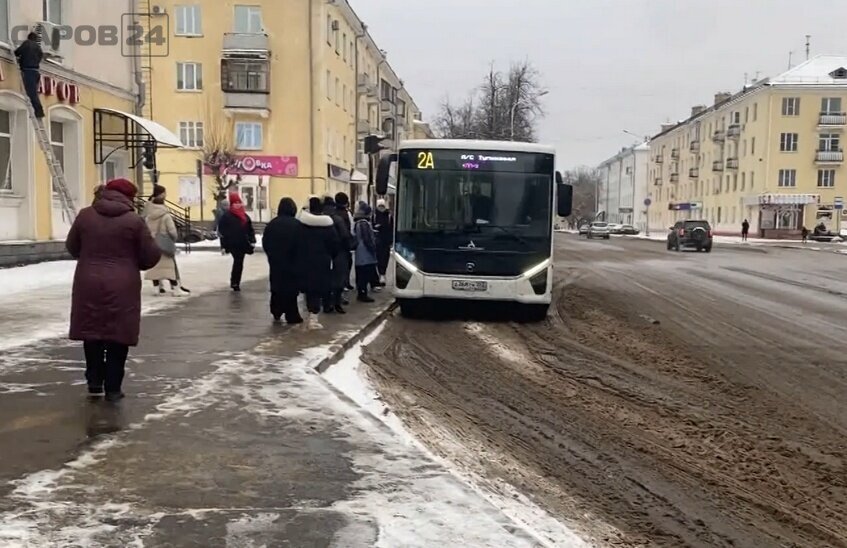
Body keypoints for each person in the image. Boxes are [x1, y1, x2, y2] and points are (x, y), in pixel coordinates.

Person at [66, 178, 161, 402]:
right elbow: (151, 255)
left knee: (92, 332)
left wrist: (90, 258)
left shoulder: (85, 215)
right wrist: (133, 263)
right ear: (129, 197)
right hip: (123, 284)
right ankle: (113, 388)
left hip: (88, 281)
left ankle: (94, 382)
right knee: (118, 335)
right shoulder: (134, 221)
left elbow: (72, 247)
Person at [297, 197, 340, 330]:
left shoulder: (302, 224)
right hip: (322, 262)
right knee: (318, 288)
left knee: (309, 288)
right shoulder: (327, 225)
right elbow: (335, 245)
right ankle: (313, 317)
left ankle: (309, 313)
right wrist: (330, 256)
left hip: (305, 261)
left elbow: (297, 242)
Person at [262, 197, 304, 324]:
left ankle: (276, 310)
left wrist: (271, 255)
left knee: (277, 286)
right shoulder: (297, 225)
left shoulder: (272, 224)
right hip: (292, 261)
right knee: (291, 288)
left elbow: (265, 242)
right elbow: (301, 244)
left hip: (276, 261)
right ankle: (292, 314)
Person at [143, 185, 189, 296]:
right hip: (164, 244)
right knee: (169, 268)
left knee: (155, 267)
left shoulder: (148, 215)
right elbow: (172, 232)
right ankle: (176, 289)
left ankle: (156, 288)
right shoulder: (165, 216)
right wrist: (173, 239)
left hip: (152, 243)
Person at [217, 192, 256, 291]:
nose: (238, 205)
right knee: (238, 262)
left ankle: (235, 282)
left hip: (241, 243)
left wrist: (252, 240)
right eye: (236, 203)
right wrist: (223, 246)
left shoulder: (244, 216)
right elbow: (222, 232)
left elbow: (250, 229)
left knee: (238, 262)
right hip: (234, 243)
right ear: (232, 204)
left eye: (239, 202)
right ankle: (235, 282)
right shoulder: (228, 216)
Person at [323, 195, 354, 313]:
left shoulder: (319, 218)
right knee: (338, 279)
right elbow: (346, 235)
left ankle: (327, 305)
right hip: (339, 252)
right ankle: (337, 303)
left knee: (326, 280)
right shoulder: (338, 218)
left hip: (324, 254)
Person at [14, 32, 45, 118]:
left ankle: (39, 111)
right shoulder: (38, 47)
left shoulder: (27, 44)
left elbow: (17, 52)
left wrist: (19, 57)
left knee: (31, 93)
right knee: (33, 92)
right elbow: (40, 56)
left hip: (28, 71)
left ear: (29, 38)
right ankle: (37, 110)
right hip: (36, 72)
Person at [354, 202, 379, 303]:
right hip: (365, 253)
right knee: (364, 274)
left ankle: (362, 292)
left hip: (360, 253)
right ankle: (362, 294)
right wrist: (373, 248)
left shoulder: (358, 222)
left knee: (361, 273)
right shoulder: (364, 223)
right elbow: (367, 239)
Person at [335, 192, 355, 291]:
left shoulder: (333, 212)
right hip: (344, 244)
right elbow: (351, 228)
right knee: (347, 263)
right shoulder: (347, 213)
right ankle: (345, 283)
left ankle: (343, 283)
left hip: (334, 244)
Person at [372, 198, 393, 285]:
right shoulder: (374, 215)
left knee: (384, 259)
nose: (381, 208)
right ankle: (378, 275)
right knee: (377, 258)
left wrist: (391, 241)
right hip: (377, 240)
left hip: (386, 241)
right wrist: (376, 227)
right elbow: (371, 227)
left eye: (382, 206)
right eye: (379, 206)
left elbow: (392, 228)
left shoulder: (389, 216)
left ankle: (382, 274)